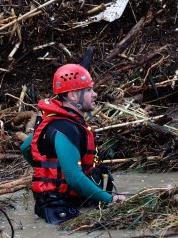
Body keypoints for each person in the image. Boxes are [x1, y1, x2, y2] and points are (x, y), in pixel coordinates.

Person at [20, 63, 127, 224]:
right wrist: (110, 199)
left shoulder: (60, 121)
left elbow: (27, 148)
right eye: (89, 90)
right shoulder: (65, 128)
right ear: (73, 96)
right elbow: (73, 177)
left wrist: (48, 169)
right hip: (57, 206)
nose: (95, 94)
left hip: (64, 200)